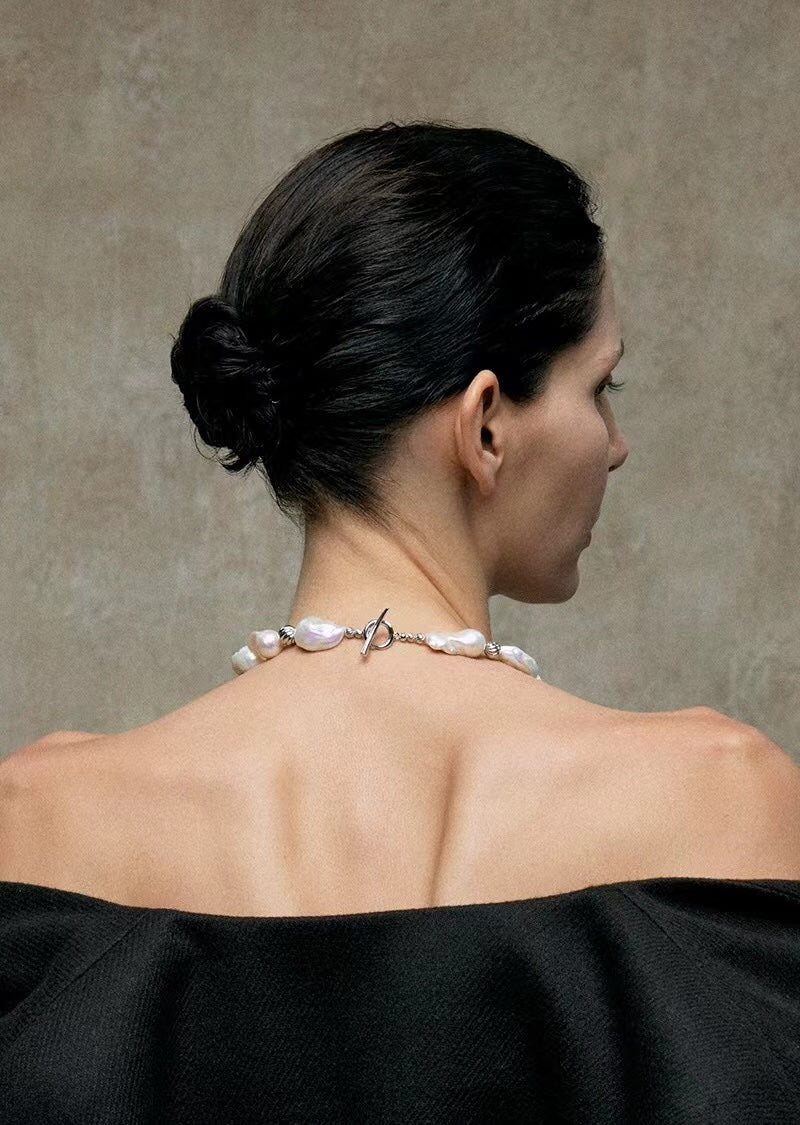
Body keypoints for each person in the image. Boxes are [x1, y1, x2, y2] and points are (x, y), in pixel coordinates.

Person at [1, 119, 799, 1122]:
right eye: (601, 387)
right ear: (484, 424)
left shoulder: (40, 823)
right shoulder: (716, 804)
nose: (615, 443)